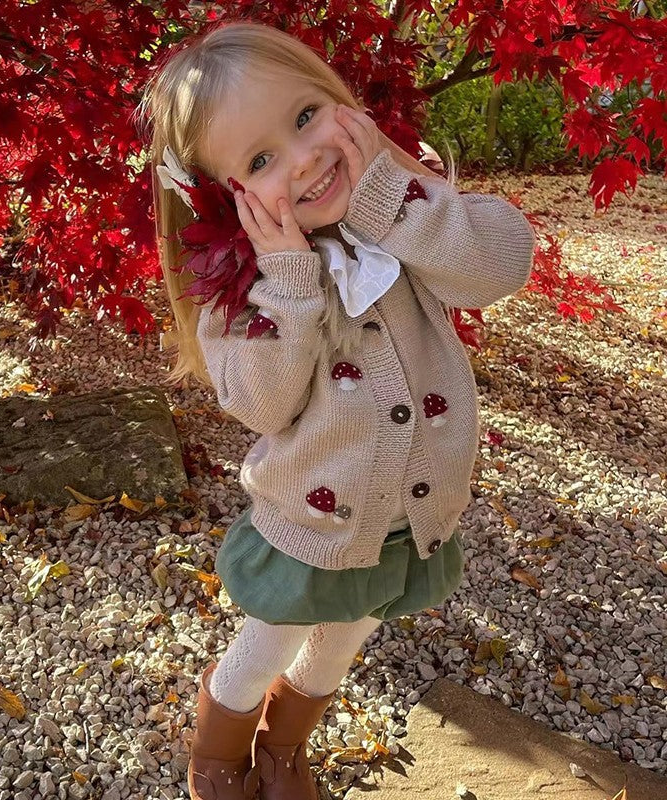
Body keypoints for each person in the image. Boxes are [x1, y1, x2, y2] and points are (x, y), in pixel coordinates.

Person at [142, 20, 535, 800]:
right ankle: (217, 758)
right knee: (272, 640)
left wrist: (398, 199)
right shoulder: (246, 287)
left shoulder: (407, 216)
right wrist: (290, 284)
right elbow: (262, 402)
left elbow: (501, 265)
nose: (304, 157)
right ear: (226, 197)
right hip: (312, 522)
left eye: (305, 117)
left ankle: (286, 748)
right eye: (259, 161)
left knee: (346, 637)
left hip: (407, 514)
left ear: (342, 101)